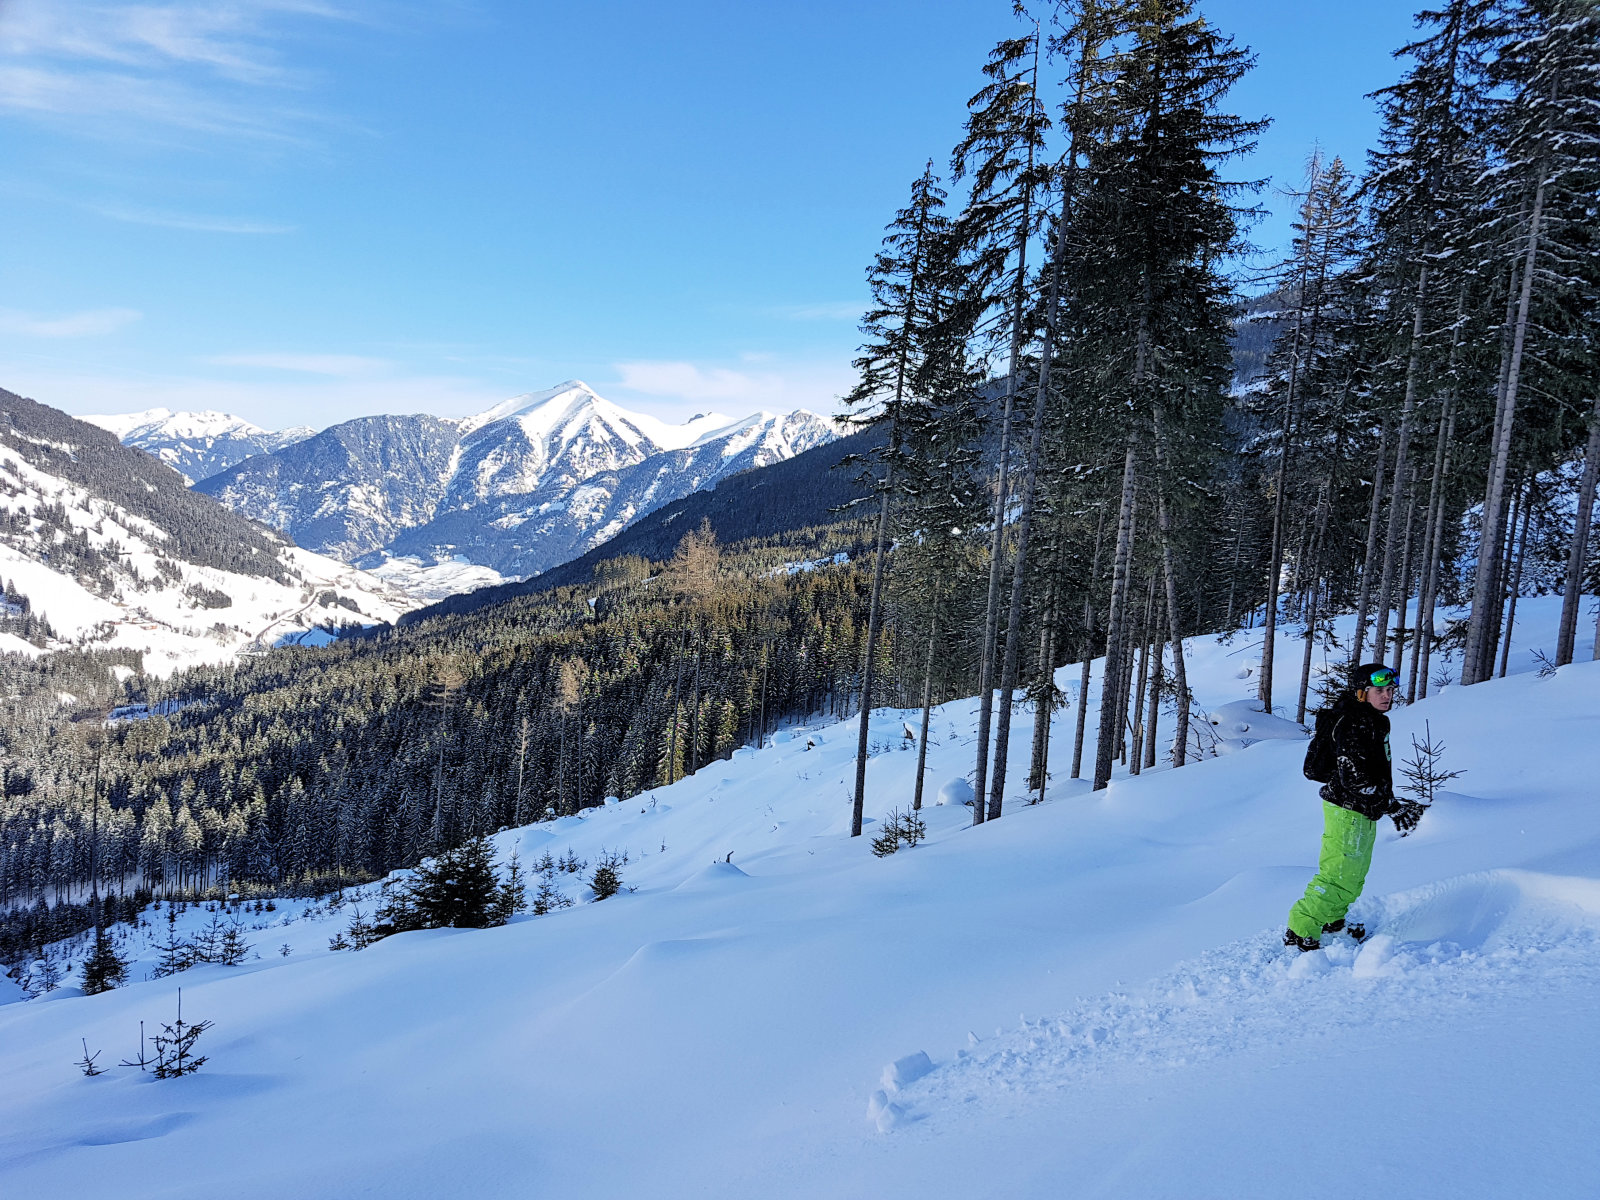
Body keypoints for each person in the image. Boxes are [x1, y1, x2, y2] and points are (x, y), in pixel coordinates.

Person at [1283, 662, 1425, 952]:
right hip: (1348, 810)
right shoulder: (1354, 723)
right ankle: (1301, 928)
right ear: (1362, 692)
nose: (1387, 696)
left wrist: (1387, 801)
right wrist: (1390, 805)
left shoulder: (1373, 719)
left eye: (1390, 690)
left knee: (1351, 874)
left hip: (1360, 809)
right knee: (1338, 874)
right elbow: (1355, 778)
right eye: (1379, 690)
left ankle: (1332, 920)